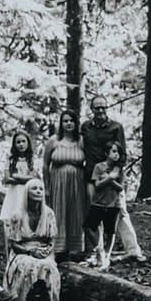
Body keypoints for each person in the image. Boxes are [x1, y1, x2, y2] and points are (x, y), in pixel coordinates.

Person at [80, 96, 145, 262]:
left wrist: (115, 173)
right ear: (92, 109)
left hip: (112, 178)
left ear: (107, 108)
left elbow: (121, 153)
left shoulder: (116, 127)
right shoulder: (86, 127)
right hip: (92, 177)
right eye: (97, 108)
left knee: (120, 211)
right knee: (95, 212)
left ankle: (133, 250)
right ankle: (99, 253)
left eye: (103, 107)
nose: (100, 110)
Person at [3, 177, 61, 301]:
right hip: (22, 250)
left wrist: (48, 250)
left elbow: (52, 238)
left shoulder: (48, 213)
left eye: (41, 189)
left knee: (48, 266)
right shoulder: (17, 214)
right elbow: (13, 244)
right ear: (27, 193)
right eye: (34, 188)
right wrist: (29, 251)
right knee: (27, 265)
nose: (38, 191)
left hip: (42, 250)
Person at [42, 109, 88, 261]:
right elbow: (45, 164)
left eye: (71, 121)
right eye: (65, 121)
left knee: (75, 212)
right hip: (58, 182)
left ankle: (76, 249)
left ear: (76, 123)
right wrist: (47, 187)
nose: (69, 124)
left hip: (77, 183)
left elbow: (89, 162)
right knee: (59, 212)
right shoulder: (53, 141)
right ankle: (58, 249)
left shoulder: (81, 141)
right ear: (61, 124)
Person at [83, 141, 125, 260]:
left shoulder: (119, 169)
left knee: (110, 231)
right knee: (88, 226)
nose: (117, 155)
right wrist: (109, 179)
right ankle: (98, 248)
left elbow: (121, 187)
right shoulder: (99, 167)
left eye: (119, 152)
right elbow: (97, 184)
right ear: (107, 153)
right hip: (98, 202)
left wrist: (110, 179)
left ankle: (107, 254)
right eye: (114, 151)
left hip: (113, 204)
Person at [0, 130, 35, 225]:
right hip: (14, 192)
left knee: (27, 218)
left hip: (28, 192)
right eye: (18, 142)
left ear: (28, 143)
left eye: (23, 141)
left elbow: (34, 178)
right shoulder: (10, 159)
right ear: (14, 144)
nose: (21, 144)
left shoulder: (32, 159)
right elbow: (7, 179)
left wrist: (16, 176)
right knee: (12, 218)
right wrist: (26, 178)